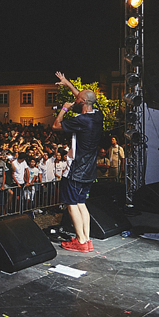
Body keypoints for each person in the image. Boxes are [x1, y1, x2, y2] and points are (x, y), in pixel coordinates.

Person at [52, 72, 104, 253]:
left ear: (81, 102)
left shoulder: (79, 120)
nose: (75, 100)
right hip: (89, 170)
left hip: (75, 169)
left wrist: (64, 109)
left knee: (72, 204)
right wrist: (67, 83)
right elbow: (82, 98)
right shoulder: (98, 115)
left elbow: (56, 126)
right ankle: (86, 240)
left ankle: (80, 241)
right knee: (82, 203)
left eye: (77, 99)